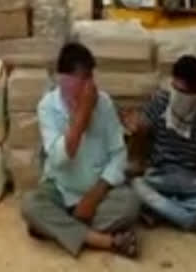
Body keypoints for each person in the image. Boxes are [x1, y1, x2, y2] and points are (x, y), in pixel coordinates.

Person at [21, 42, 141, 259]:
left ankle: (57, 228)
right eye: (83, 78)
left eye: (91, 77)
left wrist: (93, 197)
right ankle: (105, 240)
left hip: (98, 192)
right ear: (64, 80)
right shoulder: (47, 107)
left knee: (130, 203)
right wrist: (82, 116)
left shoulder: (104, 103)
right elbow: (58, 160)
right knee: (30, 205)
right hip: (60, 188)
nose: (90, 85)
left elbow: (118, 154)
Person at [123, 56, 196, 243]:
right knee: (133, 187)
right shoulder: (160, 102)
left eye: (184, 92)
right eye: (175, 88)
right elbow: (141, 131)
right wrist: (136, 129)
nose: (177, 96)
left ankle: (160, 212)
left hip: (189, 180)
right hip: (158, 175)